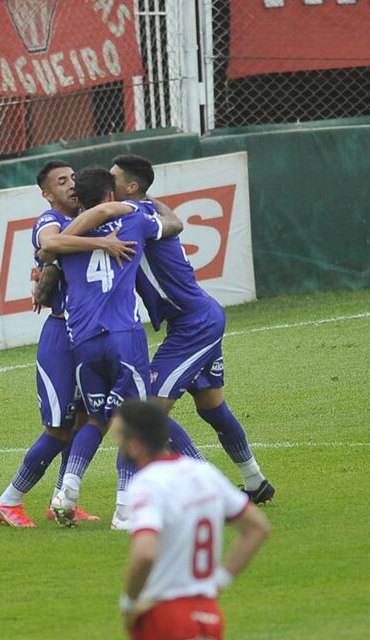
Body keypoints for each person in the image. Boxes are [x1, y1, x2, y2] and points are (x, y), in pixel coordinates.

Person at [61, 154, 275, 524]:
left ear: (129, 189)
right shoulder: (137, 213)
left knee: (143, 413)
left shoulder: (129, 211)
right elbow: (172, 222)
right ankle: (254, 481)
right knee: (212, 407)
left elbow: (106, 217)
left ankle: (203, 495)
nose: (109, 186)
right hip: (190, 321)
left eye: (115, 179)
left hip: (195, 325)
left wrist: (63, 239)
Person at [0, 160, 134, 528]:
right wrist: (100, 243)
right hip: (60, 336)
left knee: (88, 418)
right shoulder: (47, 221)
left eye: (73, 178)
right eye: (61, 181)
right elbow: (50, 244)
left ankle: (62, 500)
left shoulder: (89, 218)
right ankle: (9, 500)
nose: (70, 185)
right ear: (47, 193)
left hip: (86, 338)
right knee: (58, 427)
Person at [42, 167, 186, 527]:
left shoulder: (64, 240)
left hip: (84, 340)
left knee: (95, 418)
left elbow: (48, 254)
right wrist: (142, 203)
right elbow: (173, 225)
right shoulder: (134, 219)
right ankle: (124, 510)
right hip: (123, 335)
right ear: (110, 195)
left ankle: (67, 489)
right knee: (132, 418)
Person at [115, 400, 271, 640]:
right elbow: (257, 527)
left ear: (135, 447)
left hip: (164, 614)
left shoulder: (147, 484)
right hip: (209, 613)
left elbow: (145, 553)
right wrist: (218, 581)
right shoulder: (204, 472)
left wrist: (129, 602)